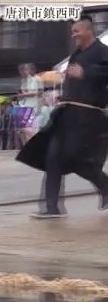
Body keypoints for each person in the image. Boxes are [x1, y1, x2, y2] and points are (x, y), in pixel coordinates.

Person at [17, 15, 108, 218]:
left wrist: (87, 73)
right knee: (53, 158)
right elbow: (73, 78)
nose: (73, 34)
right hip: (67, 114)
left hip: (88, 117)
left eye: (76, 31)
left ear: (88, 31)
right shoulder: (76, 54)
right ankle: (52, 208)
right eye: (72, 31)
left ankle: (106, 187)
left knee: (79, 161)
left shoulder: (102, 52)